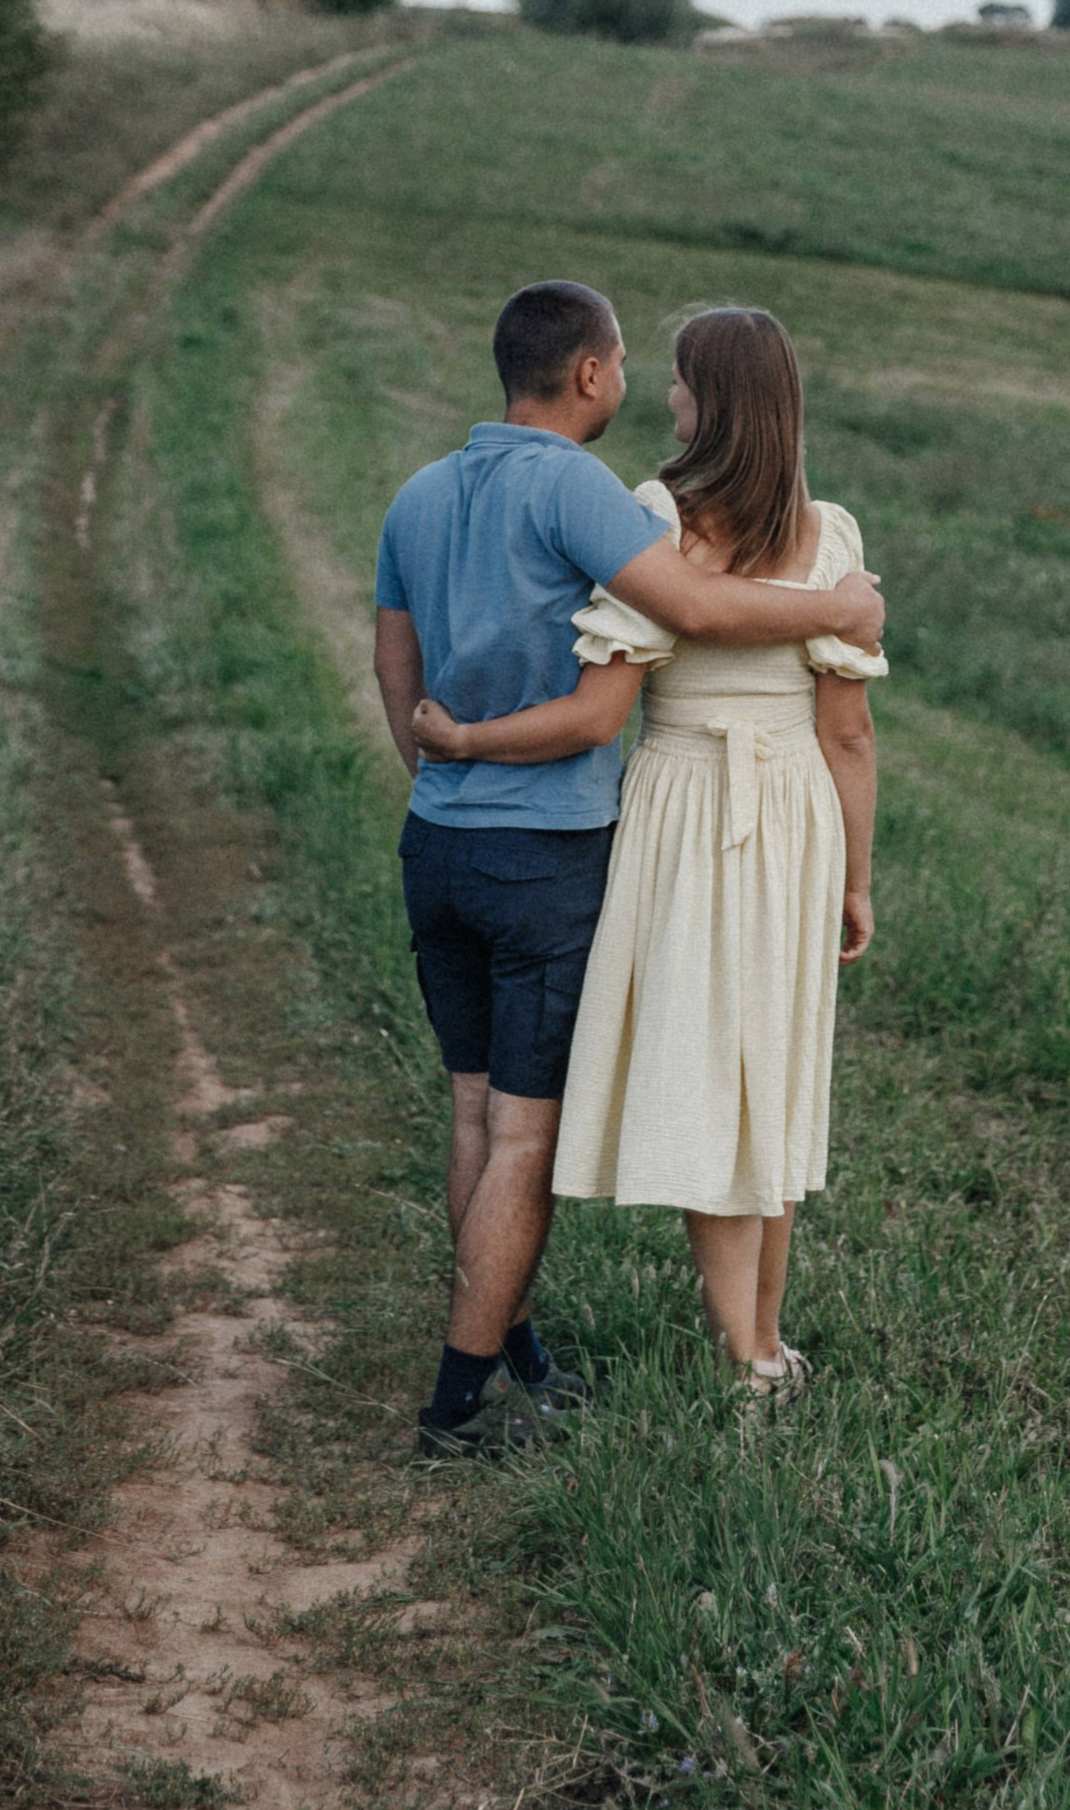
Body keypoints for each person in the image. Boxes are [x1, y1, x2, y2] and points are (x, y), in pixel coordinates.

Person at [371, 279, 885, 1459]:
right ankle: (479, 1393)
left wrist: (439, 762)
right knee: (573, 1121)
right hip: (620, 837)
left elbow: (398, 669)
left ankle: (520, 1348)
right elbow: (732, 645)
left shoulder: (425, 493)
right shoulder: (625, 501)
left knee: (478, 1114)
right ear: (588, 372)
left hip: (478, 831)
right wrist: (841, 608)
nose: (656, 389)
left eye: (679, 376)